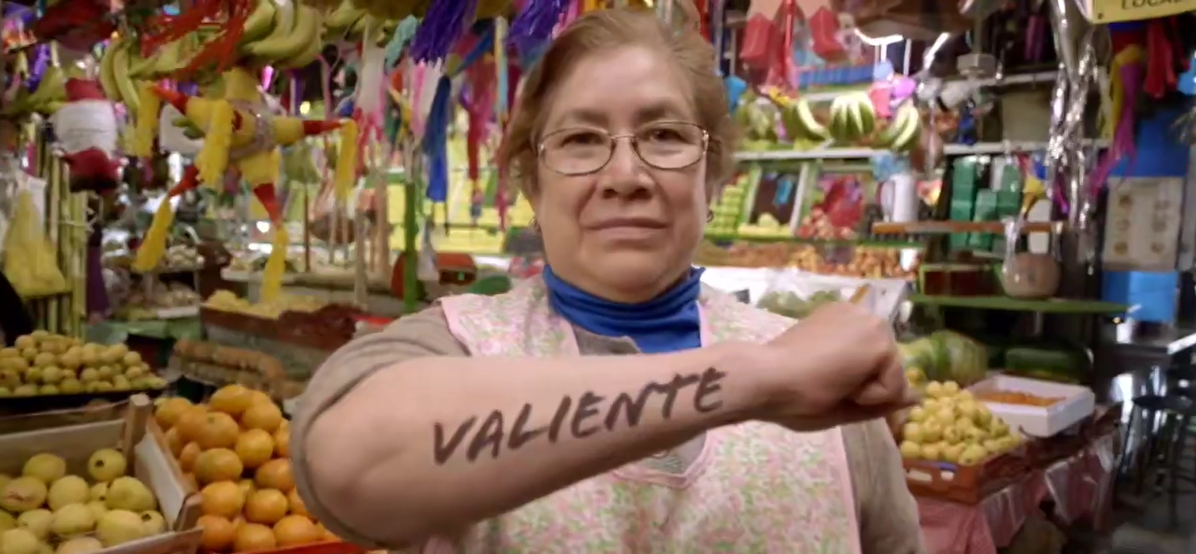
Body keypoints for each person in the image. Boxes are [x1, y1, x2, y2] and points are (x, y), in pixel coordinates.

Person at [292, 6, 925, 553]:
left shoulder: (832, 395)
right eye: (581, 140)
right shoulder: (455, 346)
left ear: (711, 180)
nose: (625, 175)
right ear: (533, 187)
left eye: (665, 135)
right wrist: (759, 378)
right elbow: (349, 465)